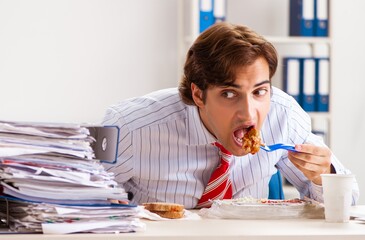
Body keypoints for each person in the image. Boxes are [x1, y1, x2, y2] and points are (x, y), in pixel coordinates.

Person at [101, 22, 359, 209]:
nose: (249, 113)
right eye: (228, 94)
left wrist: (324, 174)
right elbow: (72, 202)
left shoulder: (283, 115)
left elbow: (349, 201)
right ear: (199, 95)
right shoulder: (127, 128)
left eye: (259, 91)